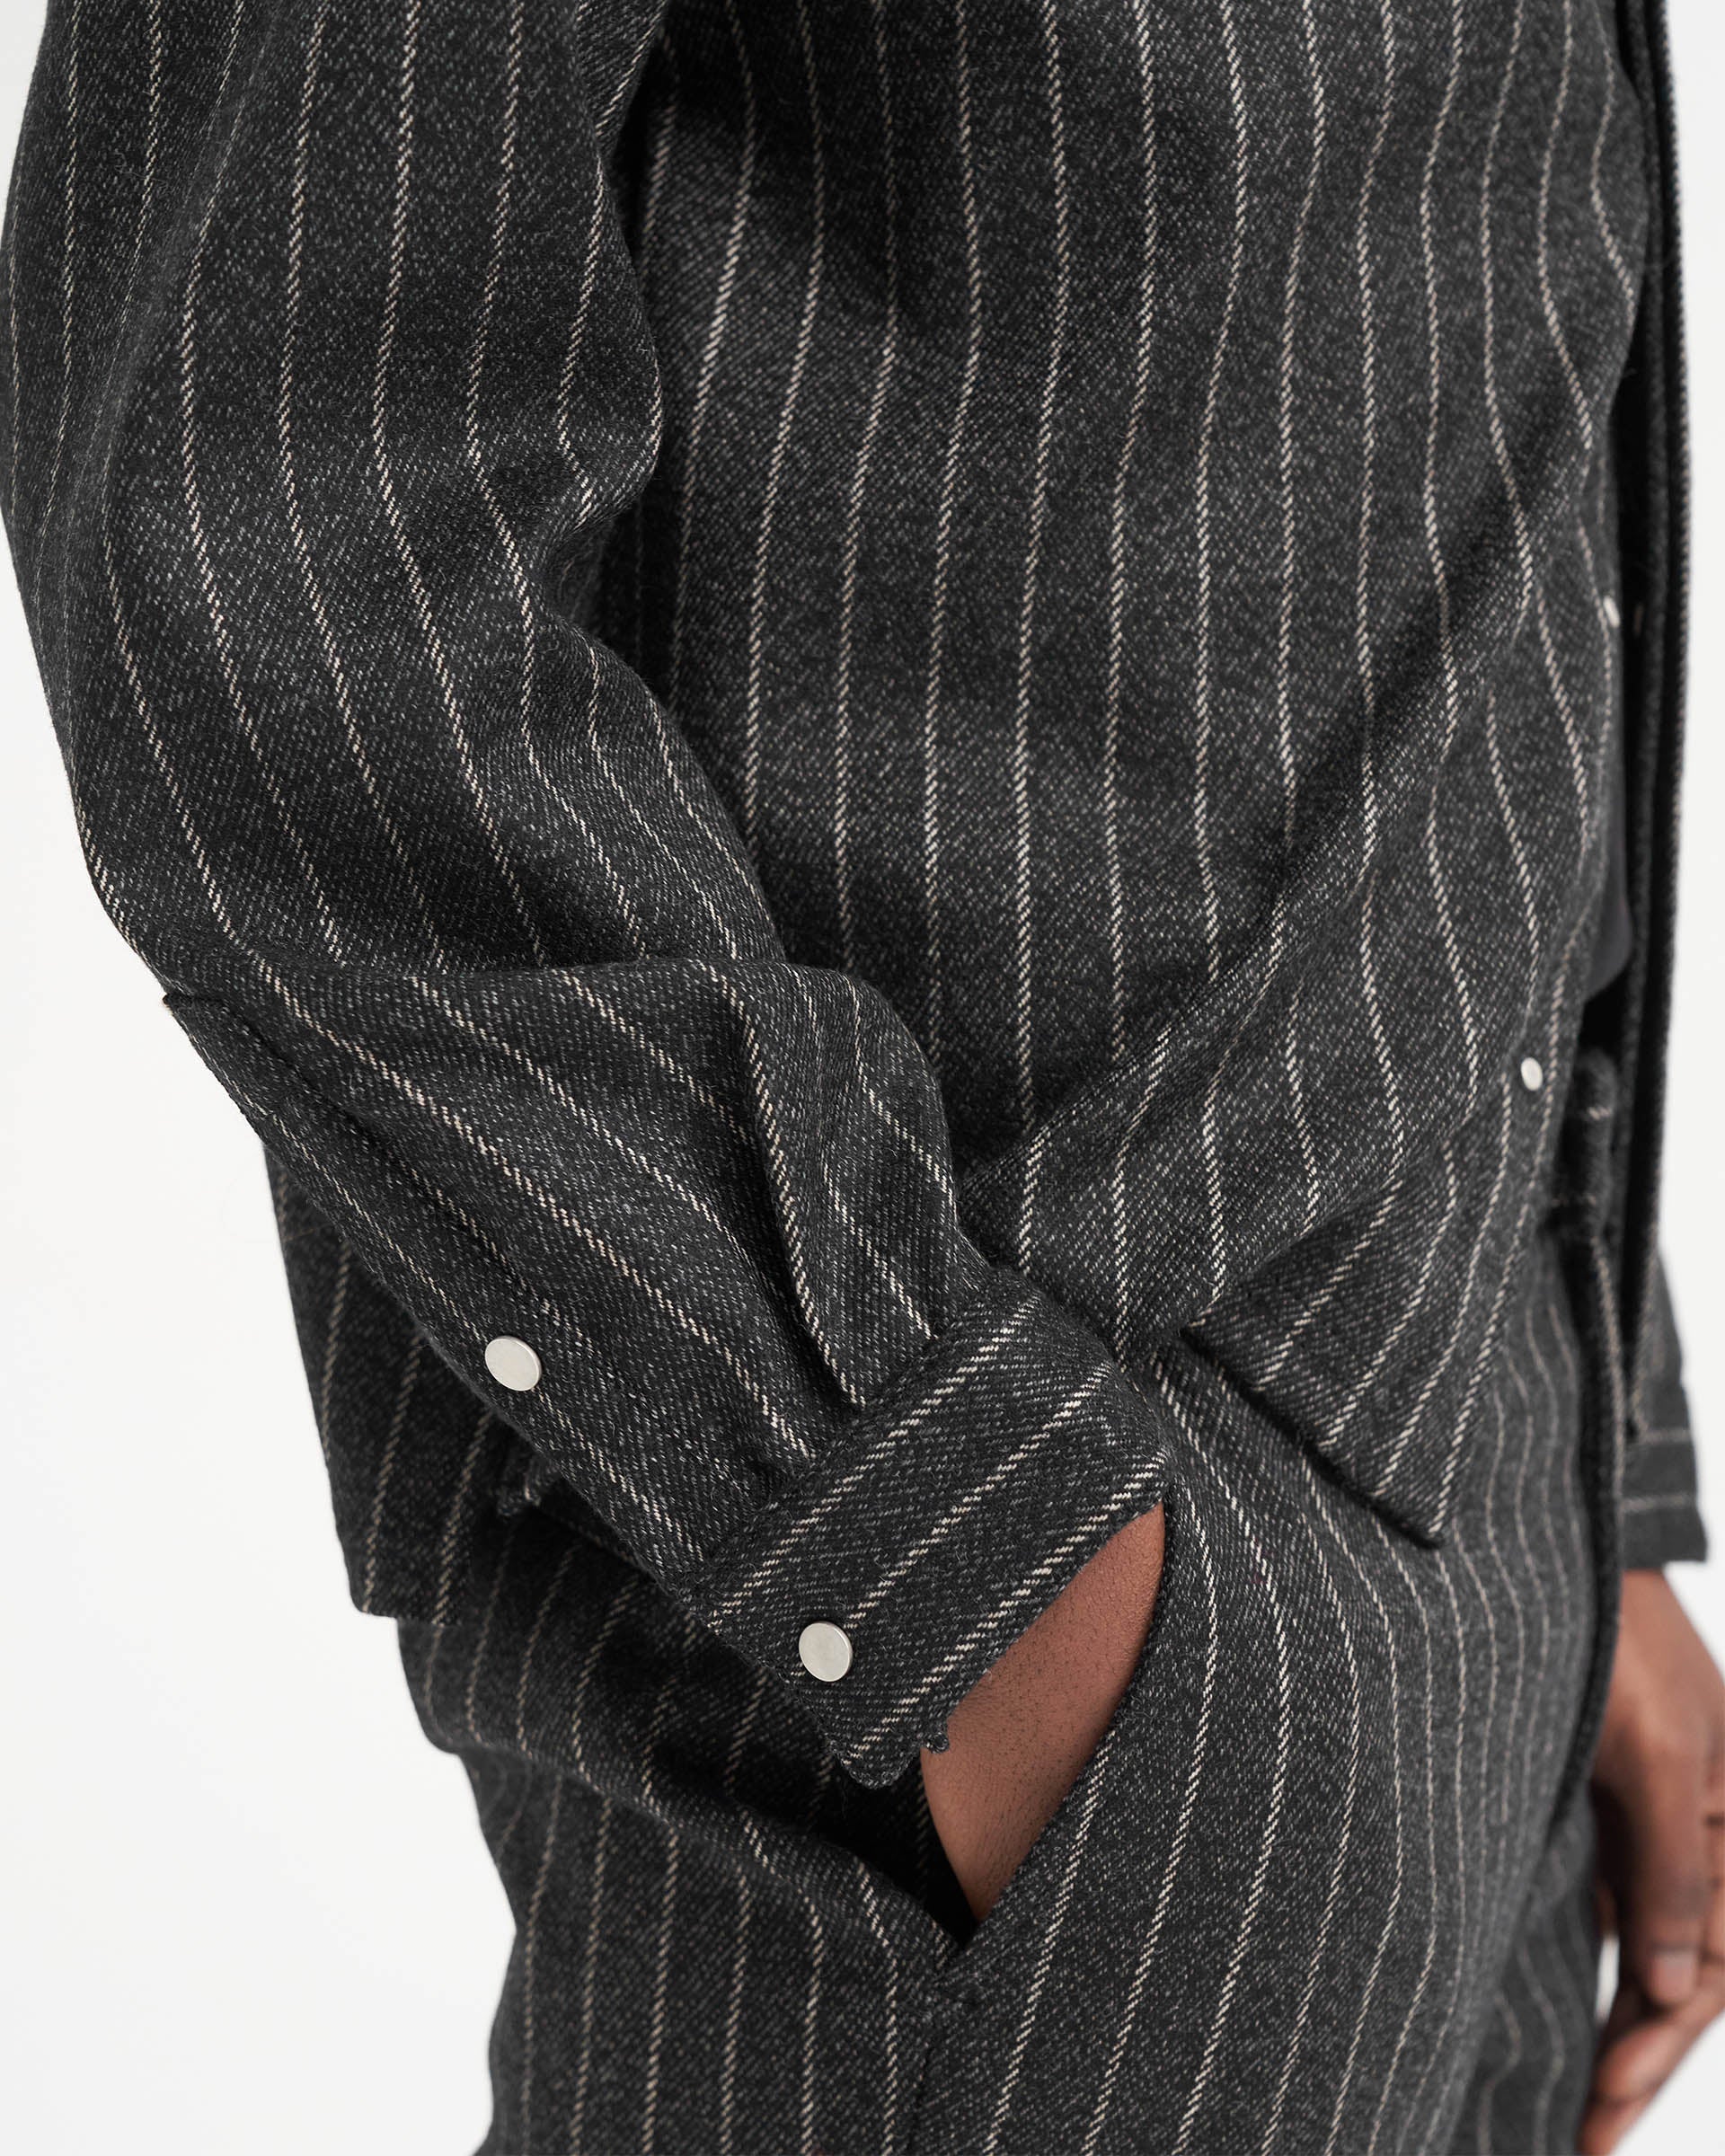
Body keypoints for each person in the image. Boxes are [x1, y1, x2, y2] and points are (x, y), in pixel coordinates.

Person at [4, 0, 1721, 2148]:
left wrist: (1598, 1466)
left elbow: (1453, 380)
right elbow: (256, 519)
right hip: (994, 1638)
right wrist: (946, 1542)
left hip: (1476, 1511)